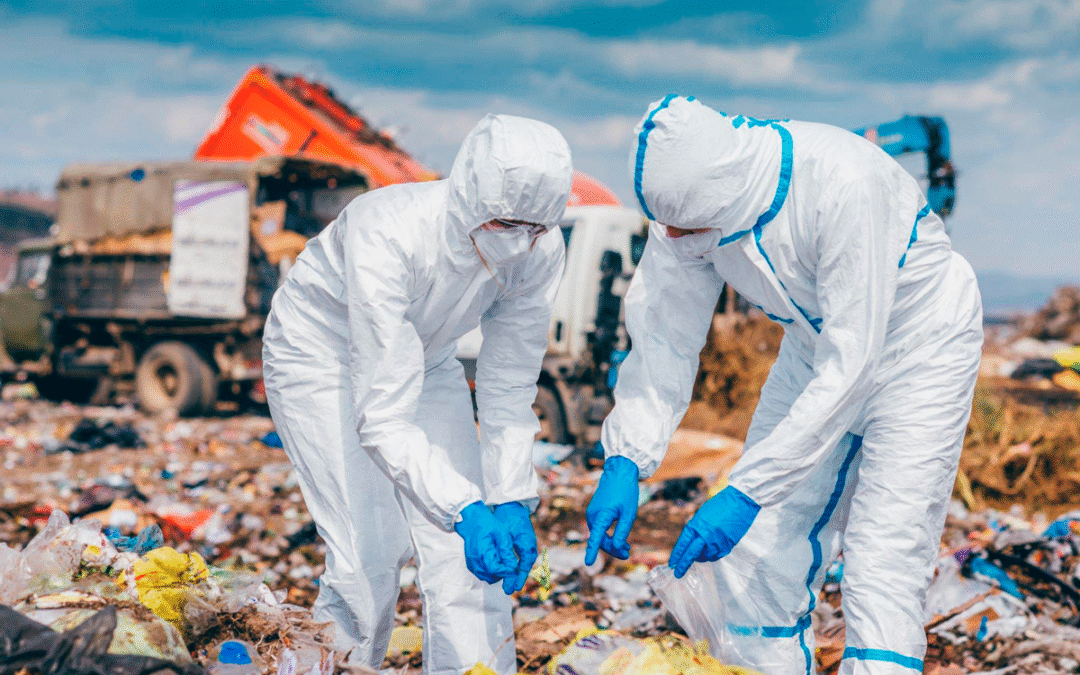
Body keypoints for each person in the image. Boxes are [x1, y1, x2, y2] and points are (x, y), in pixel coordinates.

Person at [585, 96, 982, 675]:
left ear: (727, 193)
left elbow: (851, 364)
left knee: (882, 557)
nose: (673, 236)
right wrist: (626, 458)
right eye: (665, 227)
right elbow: (664, 335)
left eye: (686, 228)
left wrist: (748, 490)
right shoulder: (685, 210)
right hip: (812, 345)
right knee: (757, 554)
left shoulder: (842, 182)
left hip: (919, 347)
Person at [262, 114, 573, 675]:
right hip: (321, 354)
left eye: (534, 228)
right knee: (370, 555)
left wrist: (510, 496)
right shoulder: (388, 229)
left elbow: (508, 384)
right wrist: (463, 507)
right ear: (469, 196)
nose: (517, 243)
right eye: (505, 223)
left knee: (468, 561)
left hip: (429, 357)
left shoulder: (541, 249)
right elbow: (383, 416)